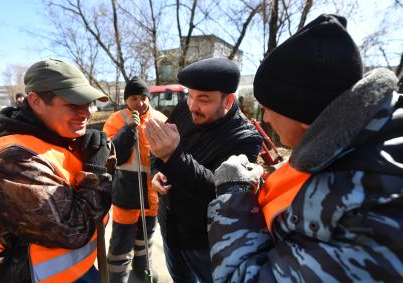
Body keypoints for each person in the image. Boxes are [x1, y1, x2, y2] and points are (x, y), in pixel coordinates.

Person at [207, 14, 403, 282]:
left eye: (267, 108)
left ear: (300, 116)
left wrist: (233, 196)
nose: (264, 119)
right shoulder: (369, 136)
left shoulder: (368, 214)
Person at [0, 59, 116, 283]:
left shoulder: (57, 137)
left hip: (75, 272)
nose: (87, 113)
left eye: (88, 104)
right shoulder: (13, 160)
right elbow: (74, 229)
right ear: (36, 101)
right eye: (74, 104)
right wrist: (95, 172)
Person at [144, 57, 263, 283]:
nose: (192, 106)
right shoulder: (184, 108)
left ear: (227, 101)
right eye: (190, 95)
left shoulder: (246, 138)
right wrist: (155, 172)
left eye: (203, 99)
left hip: (203, 242)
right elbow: (159, 149)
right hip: (170, 228)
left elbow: (220, 192)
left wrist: (172, 156)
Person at [103, 76, 166, 283]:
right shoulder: (116, 119)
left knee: (145, 238)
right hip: (126, 192)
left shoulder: (161, 119)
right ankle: (117, 276)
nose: (139, 103)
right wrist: (128, 129)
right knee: (121, 239)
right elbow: (111, 157)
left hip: (152, 194)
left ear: (149, 98)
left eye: (142, 98)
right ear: (126, 100)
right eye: (133, 99)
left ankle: (142, 268)